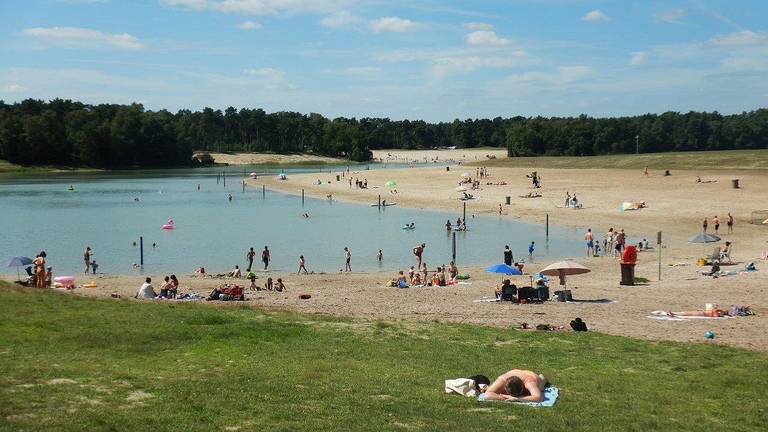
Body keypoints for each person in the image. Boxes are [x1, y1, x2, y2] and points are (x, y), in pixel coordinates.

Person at [482, 369, 547, 402]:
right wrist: (505, 398)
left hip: (531, 375)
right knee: (493, 388)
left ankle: (542, 377)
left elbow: (538, 397)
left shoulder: (529, 382)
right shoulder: (502, 379)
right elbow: (487, 395)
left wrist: (517, 398)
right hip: (513, 372)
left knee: (541, 386)